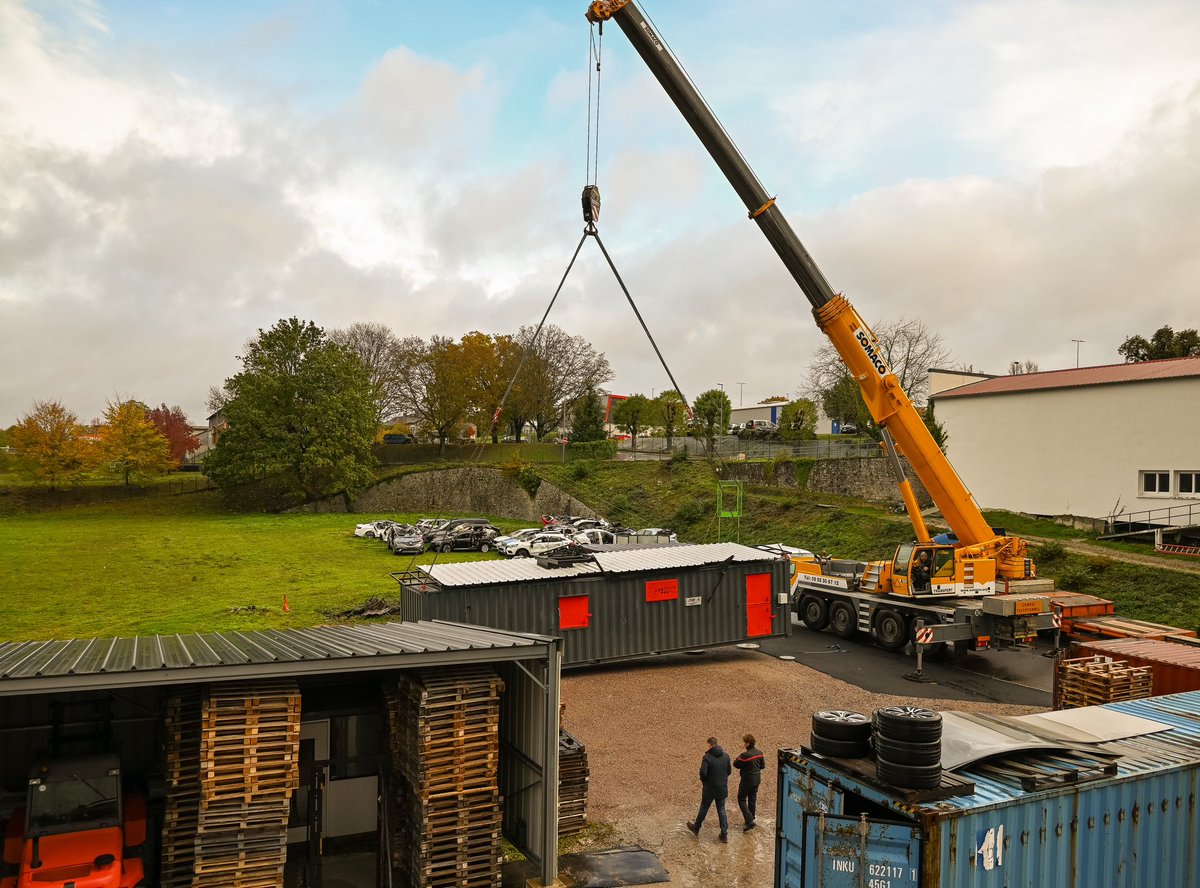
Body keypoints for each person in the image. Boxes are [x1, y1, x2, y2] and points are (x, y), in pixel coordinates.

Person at [686, 737, 731, 842]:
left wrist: (705, 781)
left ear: (710, 745)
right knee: (721, 810)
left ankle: (696, 828)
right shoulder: (726, 756)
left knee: (704, 808)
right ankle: (724, 834)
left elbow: (703, 773)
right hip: (722, 788)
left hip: (709, 788)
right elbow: (729, 771)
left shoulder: (707, 757)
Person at [733, 733, 765, 831]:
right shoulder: (760, 753)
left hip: (747, 780)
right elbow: (763, 766)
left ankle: (749, 820)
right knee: (752, 799)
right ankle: (751, 818)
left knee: (741, 799)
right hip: (757, 779)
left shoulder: (745, 755)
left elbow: (735, 764)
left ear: (747, 744)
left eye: (744, 742)